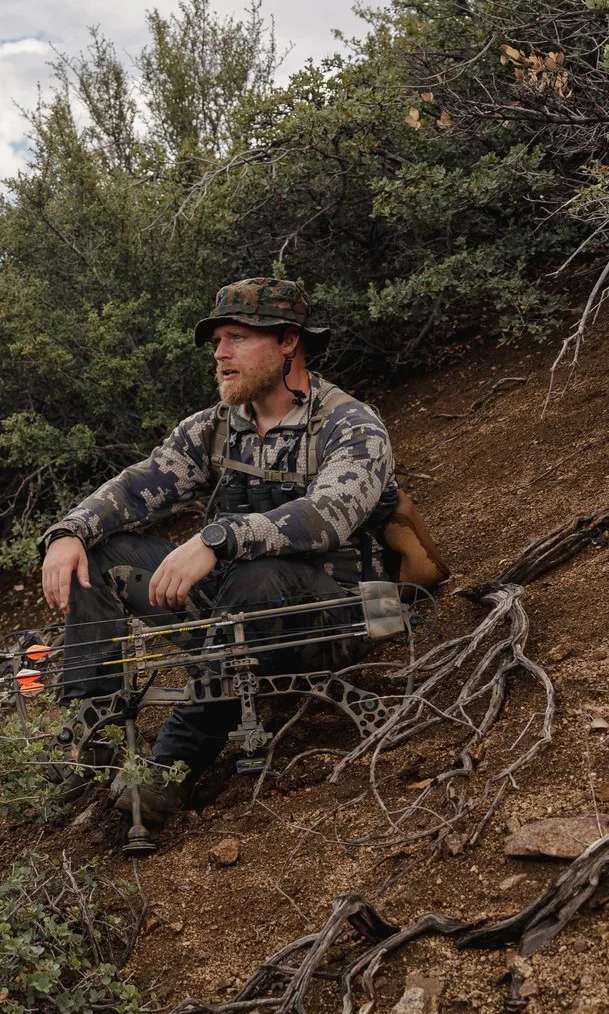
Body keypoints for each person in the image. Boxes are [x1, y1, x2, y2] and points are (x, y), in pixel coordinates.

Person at [39, 266, 397, 821]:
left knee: (258, 576)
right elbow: (141, 484)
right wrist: (68, 533)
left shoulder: (352, 425)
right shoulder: (214, 427)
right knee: (105, 557)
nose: (220, 352)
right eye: (216, 340)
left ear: (287, 342)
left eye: (238, 338)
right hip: (234, 611)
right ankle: (90, 739)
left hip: (333, 618)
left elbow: (326, 517)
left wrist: (219, 537)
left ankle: (171, 769)